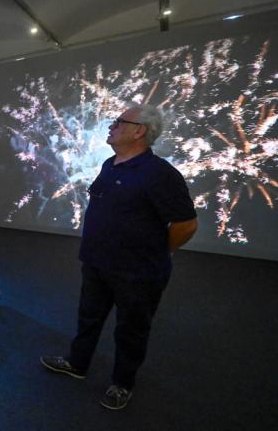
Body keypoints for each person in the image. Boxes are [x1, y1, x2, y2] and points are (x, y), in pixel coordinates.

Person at [41, 104, 198, 410]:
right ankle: (77, 363)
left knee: (131, 329)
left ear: (139, 131)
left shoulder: (160, 174)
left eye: (119, 122)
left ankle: (122, 383)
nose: (111, 126)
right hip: (97, 263)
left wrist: (158, 251)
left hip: (138, 272)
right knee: (89, 317)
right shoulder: (109, 164)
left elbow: (186, 224)